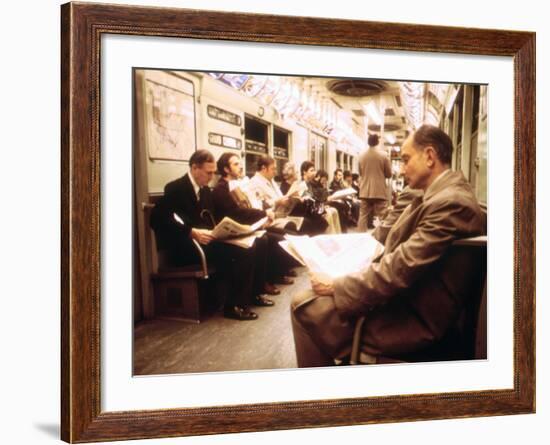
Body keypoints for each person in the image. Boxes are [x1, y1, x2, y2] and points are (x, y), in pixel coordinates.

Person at [291, 125, 486, 366]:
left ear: (429, 156)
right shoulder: (441, 196)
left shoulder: (450, 204)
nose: (402, 169)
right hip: (408, 298)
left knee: (302, 305)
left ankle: (322, 396)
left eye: (406, 160)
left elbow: (400, 268)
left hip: (410, 318)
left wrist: (337, 284)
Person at [150, 149, 273, 321]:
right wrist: (191, 232)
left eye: (213, 172)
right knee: (243, 251)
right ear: (194, 168)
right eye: (208, 173)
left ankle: (252, 295)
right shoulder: (175, 188)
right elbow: (158, 218)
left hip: (209, 241)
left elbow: (212, 219)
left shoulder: (205, 190)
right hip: (188, 246)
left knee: (256, 242)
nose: (211, 176)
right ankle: (233, 306)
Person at [212, 152, 296, 288]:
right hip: (235, 230)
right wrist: (263, 214)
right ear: (226, 169)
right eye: (236, 164)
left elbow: (251, 205)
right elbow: (236, 213)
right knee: (264, 241)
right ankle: (260, 286)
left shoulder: (238, 184)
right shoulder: (221, 189)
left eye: (240, 163)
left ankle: (267, 281)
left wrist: (262, 215)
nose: (240, 167)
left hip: (249, 224)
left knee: (276, 237)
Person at [357, 133, 392, 231]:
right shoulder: (384, 155)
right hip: (379, 191)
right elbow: (389, 174)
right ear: (378, 142)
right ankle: (383, 237)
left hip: (365, 191)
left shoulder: (361, 155)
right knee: (383, 216)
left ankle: (361, 237)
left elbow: (360, 172)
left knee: (363, 216)